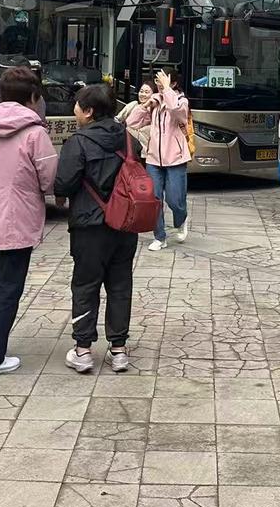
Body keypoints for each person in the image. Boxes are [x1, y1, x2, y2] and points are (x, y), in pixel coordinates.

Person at [0, 67, 58, 379]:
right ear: (33, 98)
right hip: (18, 220)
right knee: (8, 286)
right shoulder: (36, 134)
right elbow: (49, 179)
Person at [53, 83, 138, 374]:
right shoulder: (128, 139)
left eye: (77, 105)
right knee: (120, 285)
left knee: (86, 285)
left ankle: (83, 350)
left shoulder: (77, 143)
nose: (74, 109)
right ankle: (119, 350)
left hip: (89, 226)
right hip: (126, 224)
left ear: (88, 112)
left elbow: (63, 183)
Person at [124, 69, 190, 251]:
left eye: (164, 80)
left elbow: (178, 113)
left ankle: (181, 218)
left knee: (175, 200)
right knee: (154, 199)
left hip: (175, 158)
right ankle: (159, 237)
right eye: (158, 80)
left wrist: (167, 91)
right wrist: (145, 106)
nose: (159, 83)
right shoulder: (155, 104)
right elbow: (132, 123)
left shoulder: (181, 101)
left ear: (173, 83)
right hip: (153, 158)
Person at [116, 81, 154, 152]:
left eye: (146, 92)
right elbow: (126, 122)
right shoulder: (133, 105)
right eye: (141, 91)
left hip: (149, 152)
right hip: (130, 149)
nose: (143, 94)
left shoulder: (155, 111)